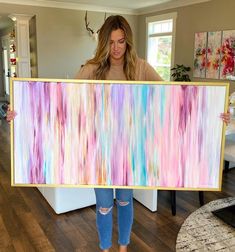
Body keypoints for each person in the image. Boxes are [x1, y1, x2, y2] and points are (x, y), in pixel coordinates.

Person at [7, 15, 230, 252]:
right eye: (111, 42)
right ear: (103, 42)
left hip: (130, 151)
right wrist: (21, 113)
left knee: (125, 201)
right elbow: (64, 106)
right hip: (99, 151)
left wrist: (215, 113)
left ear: (128, 41)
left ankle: (123, 247)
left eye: (121, 41)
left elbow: (173, 100)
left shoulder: (141, 67)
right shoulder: (90, 69)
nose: (116, 48)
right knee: (104, 205)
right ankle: (105, 248)